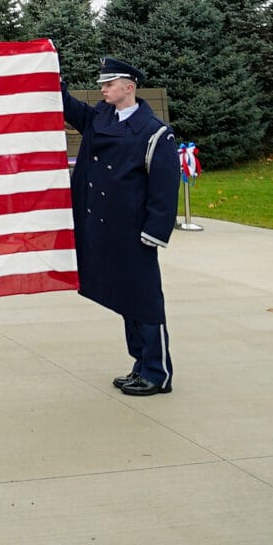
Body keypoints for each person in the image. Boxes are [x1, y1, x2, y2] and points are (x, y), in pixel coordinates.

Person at [61, 56, 180, 396]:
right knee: (128, 301)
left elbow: (164, 187)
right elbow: (67, 106)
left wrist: (154, 231)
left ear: (128, 87)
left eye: (109, 84)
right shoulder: (100, 116)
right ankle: (140, 364)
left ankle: (158, 373)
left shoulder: (154, 132)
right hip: (102, 226)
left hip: (132, 230)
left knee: (144, 300)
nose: (103, 89)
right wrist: (49, 72)